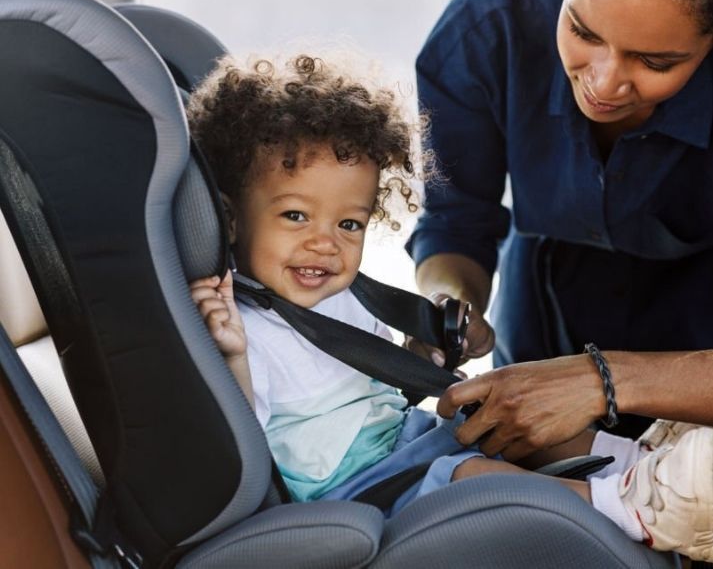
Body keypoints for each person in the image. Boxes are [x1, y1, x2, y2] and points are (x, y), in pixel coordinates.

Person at [185, 53, 712, 560]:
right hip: (350, 487)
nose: (326, 243)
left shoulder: (339, 294)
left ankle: (639, 463)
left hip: (397, 445)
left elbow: (373, 390)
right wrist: (231, 355)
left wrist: (422, 353)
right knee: (474, 479)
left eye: (349, 225)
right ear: (231, 219)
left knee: (502, 415)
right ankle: (622, 506)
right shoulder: (241, 325)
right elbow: (241, 449)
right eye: (296, 216)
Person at [406, 0, 713, 560]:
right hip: (545, 314)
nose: (603, 82)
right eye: (582, 31)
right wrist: (446, 304)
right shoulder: (489, 26)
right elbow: (454, 222)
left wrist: (602, 380)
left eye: (655, 63)